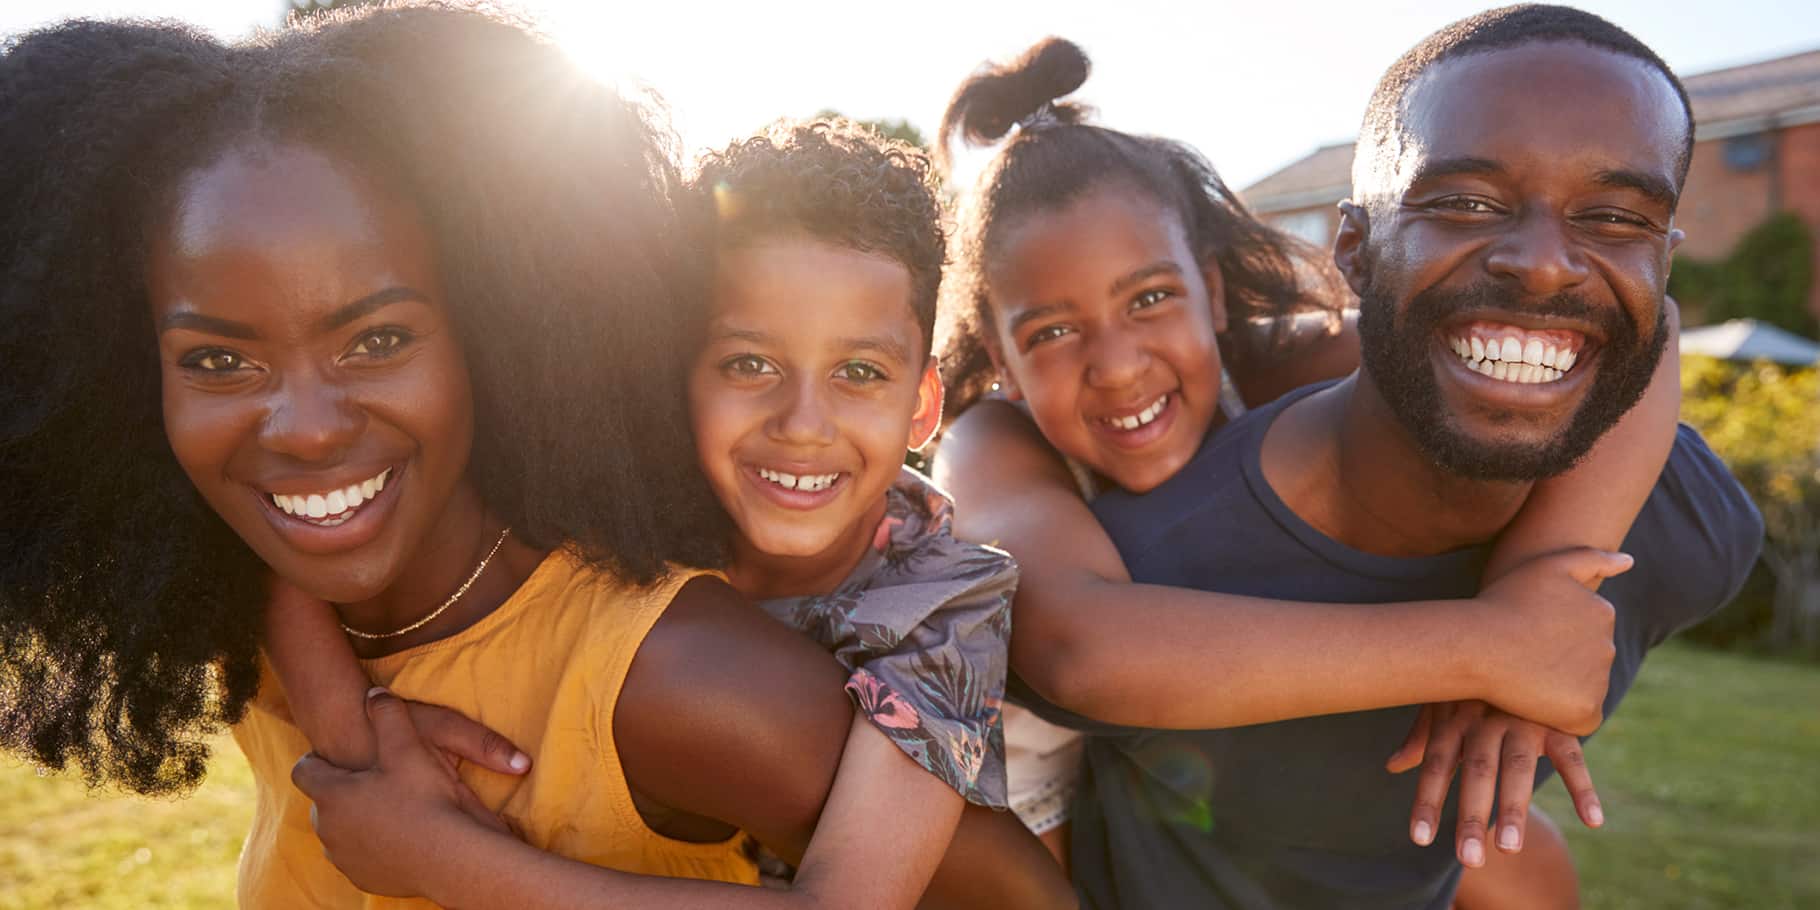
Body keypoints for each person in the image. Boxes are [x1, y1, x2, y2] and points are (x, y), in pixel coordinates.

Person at [0, 7, 1064, 909]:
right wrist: (350, 722)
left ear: (497, 327)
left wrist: (467, 866)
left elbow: (1020, 895)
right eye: (220, 358)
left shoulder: (680, 681)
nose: (305, 427)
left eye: (377, 339)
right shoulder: (238, 567)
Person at [942, 8, 1763, 908]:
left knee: (1506, 855)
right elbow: (1077, 648)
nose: (1117, 364)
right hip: (1031, 771)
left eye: (1149, 298)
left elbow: (1638, 330)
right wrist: (1494, 647)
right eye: (1052, 331)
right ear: (996, 344)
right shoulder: (994, 435)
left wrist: (1545, 578)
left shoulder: (1296, 350)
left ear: (1211, 293)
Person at [272, 118, 1071, 908]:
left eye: (858, 372)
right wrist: (361, 726)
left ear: (923, 407)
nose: (802, 423)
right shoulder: (616, 498)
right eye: (749, 363)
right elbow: (283, 531)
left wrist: (442, 858)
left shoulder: (943, 607)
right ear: (677, 371)